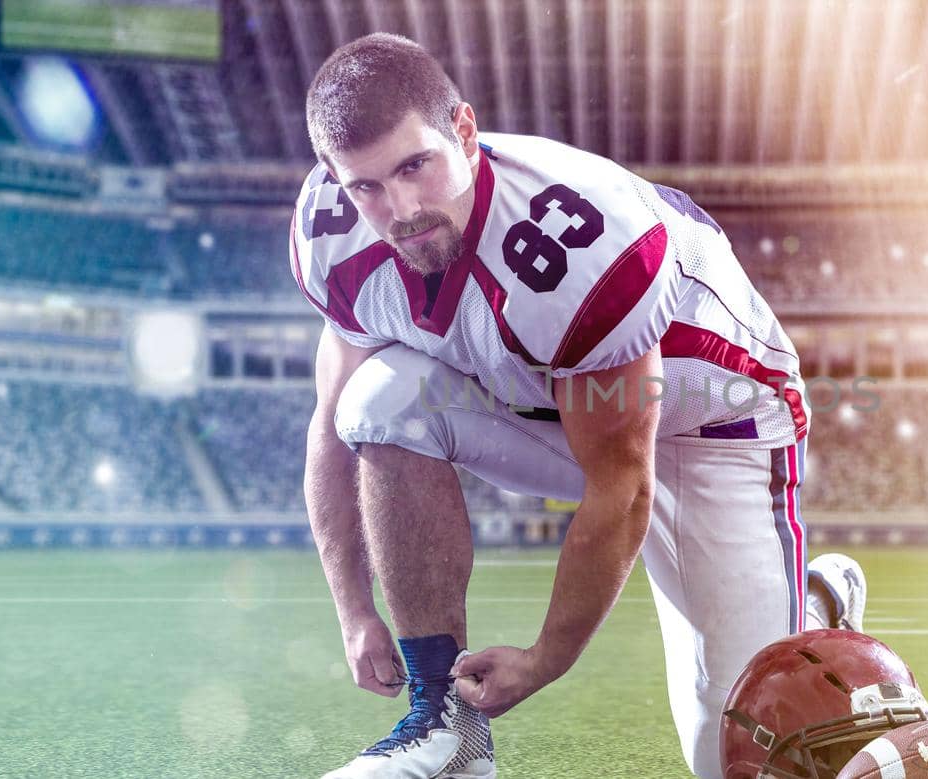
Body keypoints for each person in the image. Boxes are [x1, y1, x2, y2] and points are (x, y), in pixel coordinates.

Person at [292, 32, 861, 779]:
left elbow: (621, 486)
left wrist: (542, 660)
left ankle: (812, 603)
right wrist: (354, 608)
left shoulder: (578, 242)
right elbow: (331, 432)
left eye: (415, 166)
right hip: (550, 398)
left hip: (715, 416)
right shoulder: (330, 236)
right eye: (365, 186)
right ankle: (444, 725)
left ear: (463, 131)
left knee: (731, 755)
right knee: (376, 399)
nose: (398, 209)